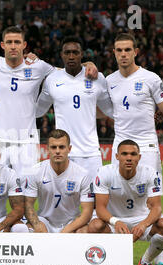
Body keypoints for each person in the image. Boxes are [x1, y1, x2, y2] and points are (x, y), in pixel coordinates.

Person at [0, 27, 98, 179]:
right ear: (2, 45)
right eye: (9, 42)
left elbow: (64, 71)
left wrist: (87, 64)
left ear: (24, 45)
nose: (13, 46)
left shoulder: (38, 66)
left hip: (26, 141)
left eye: (17, 42)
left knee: (26, 194)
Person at [106, 33, 163, 265]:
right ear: (113, 53)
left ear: (135, 51)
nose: (123, 54)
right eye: (118, 50)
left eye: (127, 49)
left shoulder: (151, 79)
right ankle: (115, 259)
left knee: (151, 202)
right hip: (120, 146)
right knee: (119, 199)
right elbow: (104, 110)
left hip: (147, 147)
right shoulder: (109, 80)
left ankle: (156, 260)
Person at [88, 140, 163, 265]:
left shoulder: (150, 173)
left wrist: (143, 224)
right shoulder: (105, 172)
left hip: (141, 220)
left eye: (133, 154)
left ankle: (145, 262)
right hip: (113, 220)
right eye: (124, 154)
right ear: (117, 156)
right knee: (94, 226)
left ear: (139, 157)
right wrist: (115, 221)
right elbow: (100, 207)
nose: (129, 158)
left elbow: (157, 207)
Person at [36, 36, 113, 181]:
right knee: (64, 203)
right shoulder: (52, 80)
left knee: (93, 202)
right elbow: (38, 111)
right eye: (67, 52)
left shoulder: (97, 78)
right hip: (63, 153)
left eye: (75, 52)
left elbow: (110, 110)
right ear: (61, 55)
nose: (71, 56)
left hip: (90, 154)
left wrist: (139, 114)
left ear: (81, 54)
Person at [24, 129, 95, 233]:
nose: (57, 151)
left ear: (69, 149)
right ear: (47, 149)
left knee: (84, 230)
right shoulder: (35, 171)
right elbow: (28, 205)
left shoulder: (83, 174)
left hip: (71, 222)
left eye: (61, 147)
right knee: (27, 228)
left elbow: (87, 212)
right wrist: (38, 224)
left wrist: (65, 231)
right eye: (53, 147)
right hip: (45, 221)